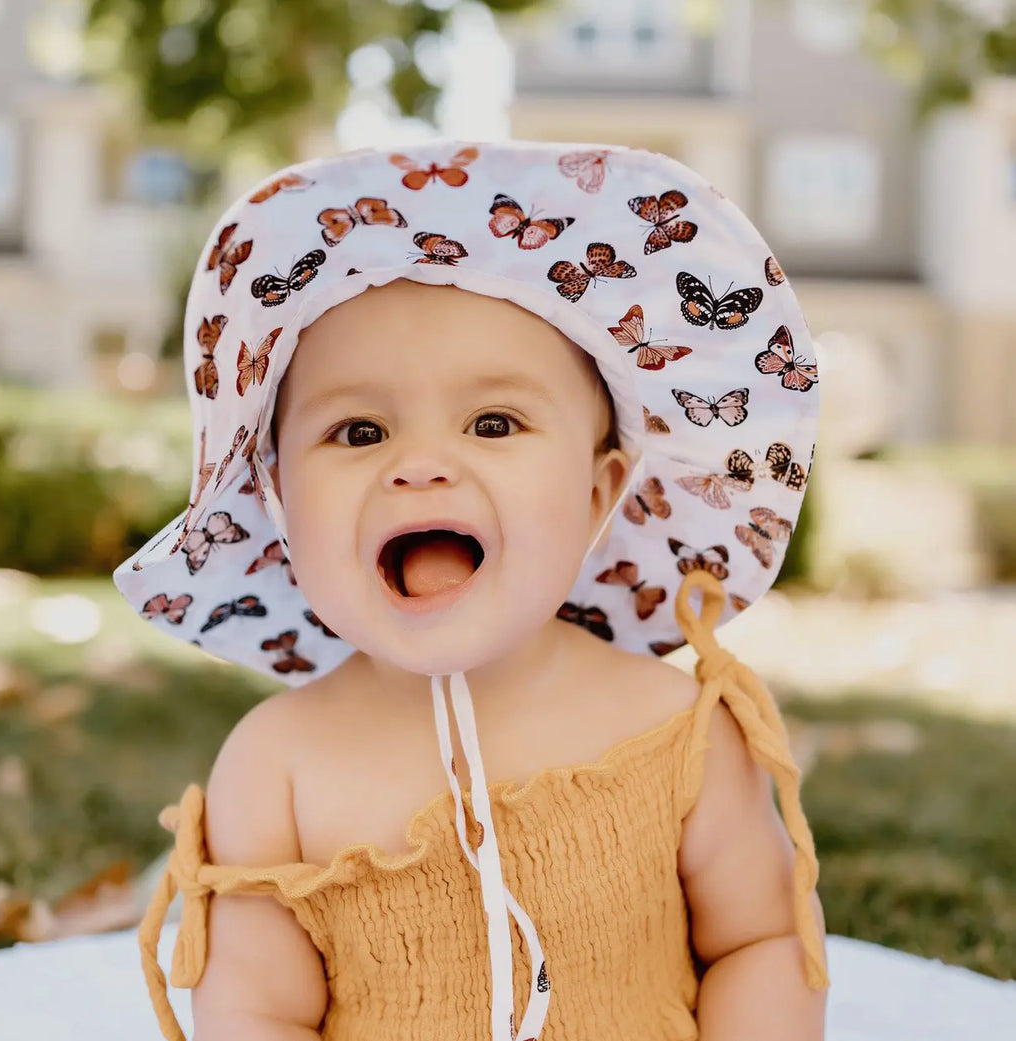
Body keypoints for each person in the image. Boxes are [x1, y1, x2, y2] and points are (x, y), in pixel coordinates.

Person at [117, 139, 828, 1041]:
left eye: (493, 422)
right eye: (359, 429)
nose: (419, 466)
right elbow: (256, 1012)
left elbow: (761, 941)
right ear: (281, 503)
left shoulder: (678, 729)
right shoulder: (275, 768)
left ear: (599, 493)